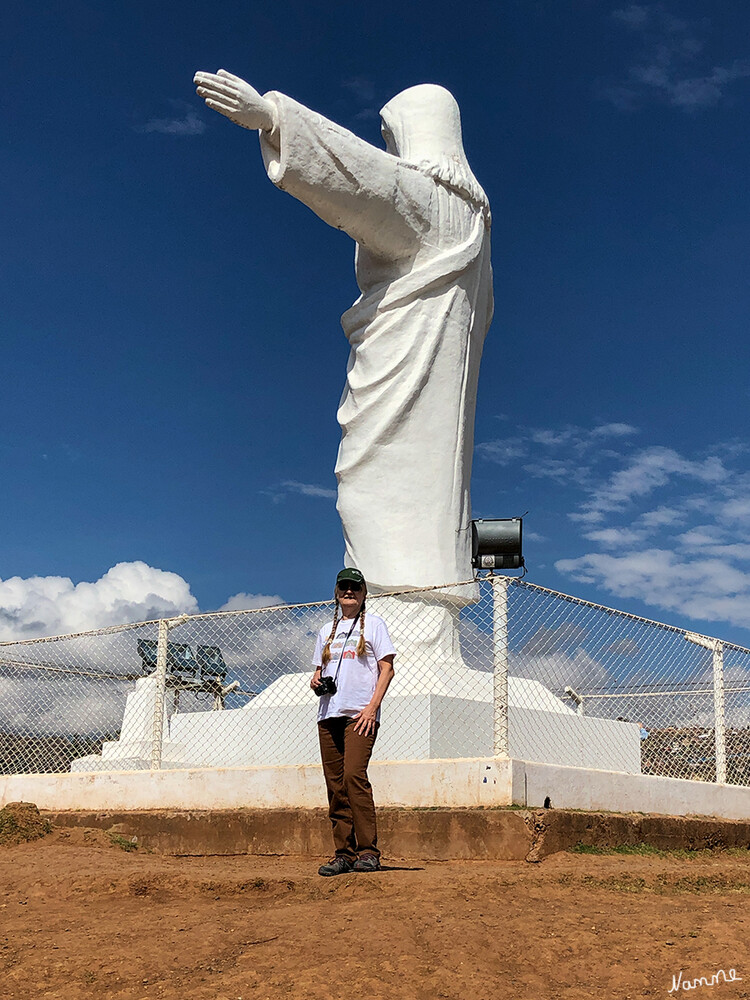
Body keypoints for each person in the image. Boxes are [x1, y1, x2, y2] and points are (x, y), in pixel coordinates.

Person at [310, 568, 395, 875]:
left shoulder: (374, 625)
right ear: (336, 591)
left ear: (363, 594)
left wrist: (372, 708)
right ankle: (343, 853)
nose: (349, 592)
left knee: (353, 778)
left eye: (355, 588)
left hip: (359, 715)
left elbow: (386, 669)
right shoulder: (325, 631)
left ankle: (368, 851)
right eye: (344, 586)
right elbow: (318, 672)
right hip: (328, 714)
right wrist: (316, 680)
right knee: (335, 785)